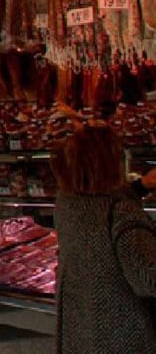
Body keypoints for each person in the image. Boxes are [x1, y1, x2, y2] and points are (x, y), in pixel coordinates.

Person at [53, 123, 156, 353]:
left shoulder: (66, 202)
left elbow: (100, 199)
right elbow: (148, 278)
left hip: (81, 327)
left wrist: (140, 186)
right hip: (123, 335)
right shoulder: (121, 214)